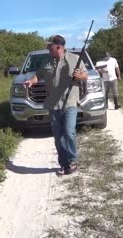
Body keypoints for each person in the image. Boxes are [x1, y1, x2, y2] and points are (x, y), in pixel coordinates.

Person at [23, 35, 88, 175]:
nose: (47, 47)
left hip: (70, 102)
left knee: (69, 132)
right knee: (58, 137)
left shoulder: (75, 59)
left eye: (49, 45)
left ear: (58, 46)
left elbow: (85, 75)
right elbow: (38, 75)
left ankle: (72, 161)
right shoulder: (47, 61)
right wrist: (31, 81)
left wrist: (79, 76)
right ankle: (63, 164)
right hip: (53, 104)